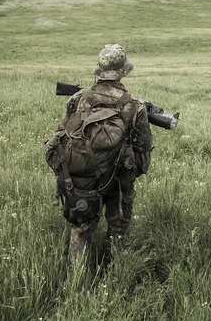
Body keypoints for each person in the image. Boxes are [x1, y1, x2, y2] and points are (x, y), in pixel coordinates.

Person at [45, 44, 153, 265]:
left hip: (81, 177)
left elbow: (63, 134)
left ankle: (76, 277)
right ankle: (114, 273)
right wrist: (129, 174)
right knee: (118, 227)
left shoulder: (77, 98)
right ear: (124, 71)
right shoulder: (135, 105)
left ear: (100, 70)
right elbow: (143, 151)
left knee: (81, 227)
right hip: (119, 179)